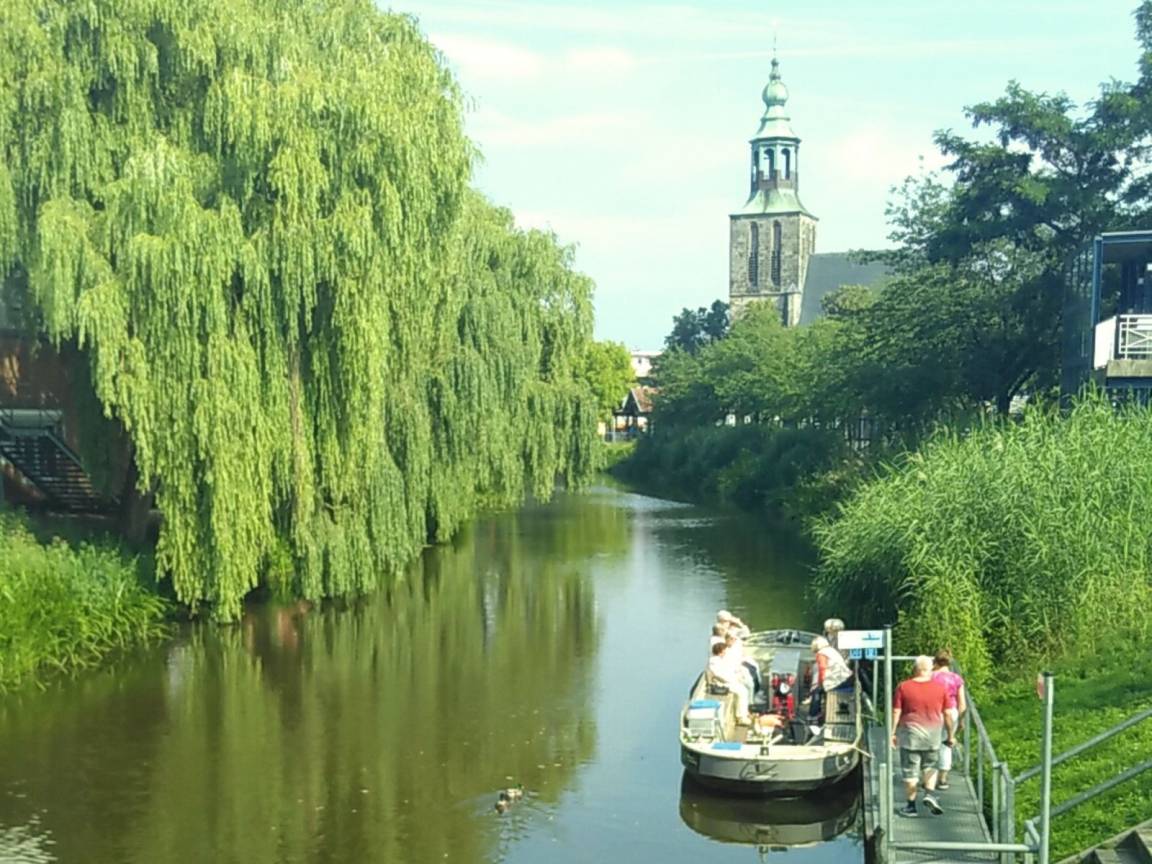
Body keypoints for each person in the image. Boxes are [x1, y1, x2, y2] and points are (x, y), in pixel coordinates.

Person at [892, 655, 954, 817]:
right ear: (931, 669)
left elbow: (896, 711)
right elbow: (948, 714)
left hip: (910, 737)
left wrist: (892, 732)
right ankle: (929, 794)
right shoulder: (940, 688)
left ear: (915, 669)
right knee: (930, 766)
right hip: (933, 736)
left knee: (910, 772)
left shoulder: (903, 687)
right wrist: (951, 735)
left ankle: (911, 807)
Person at [932, 650, 968, 790]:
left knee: (930, 744)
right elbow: (962, 703)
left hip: (933, 711)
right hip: (951, 712)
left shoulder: (931, 676)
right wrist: (961, 720)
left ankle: (928, 777)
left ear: (936, 662)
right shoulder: (956, 679)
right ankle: (943, 779)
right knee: (947, 744)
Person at [707, 641, 753, 724]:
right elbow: (719, 675)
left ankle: (744, 713)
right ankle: (741, 717)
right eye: (724, 650)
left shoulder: (721, 659)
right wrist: (733, 679)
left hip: (729, 681)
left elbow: (729, 669)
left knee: (745, 688)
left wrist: (736, 674)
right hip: (722, 683)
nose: (725, 652)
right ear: (720, 651)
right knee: (742, 692)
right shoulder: (713, 661)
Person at [810, 636, 852, 724]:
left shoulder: (821, 653)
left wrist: (820, 683)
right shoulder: (832, 650)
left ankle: (813, 715)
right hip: (846, 679)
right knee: (820, 689)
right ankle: (821, 713)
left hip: (837, 682)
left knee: (816, 691)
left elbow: (822, 668)